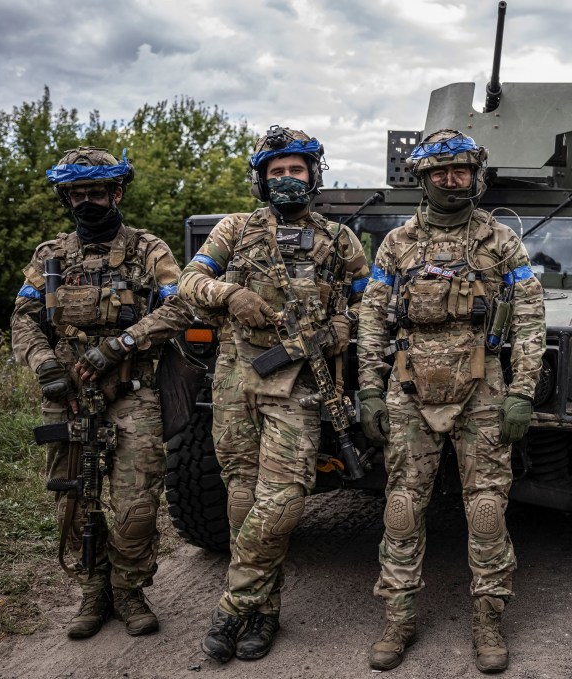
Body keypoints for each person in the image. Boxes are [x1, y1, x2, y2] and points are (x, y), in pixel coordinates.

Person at [356, 129, 546, 673]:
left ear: (475, 176)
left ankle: (488, 621)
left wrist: (522, 393)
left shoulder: (501, 241)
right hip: (409, 386)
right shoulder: (397, 243)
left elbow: (531, 316)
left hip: (483, 388)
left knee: (486, 508)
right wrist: (370, 388)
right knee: (401, 508)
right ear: (422, 178)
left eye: (459, 170)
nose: (449, 179)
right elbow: (371, 316)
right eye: (438, 171)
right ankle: (398, 618)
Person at [178, 126, 370, 663]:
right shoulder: (235, 230)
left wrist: (338, 329)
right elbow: (189, 281)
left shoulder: (339, 239)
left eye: (297, 170)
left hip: (302, 383)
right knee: (242, 495)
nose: (287, 179)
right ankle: (264, 611)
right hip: (237, 377)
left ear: (314, 176)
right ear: (262, 179)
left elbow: (371, 301)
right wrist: (231, 293)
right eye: (277, 171)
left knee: (282, 499)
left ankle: (232, 605)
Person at [11, 147, 194, 639]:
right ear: (66, 198)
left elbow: (180, 308)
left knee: (137, 504)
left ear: (116, 193)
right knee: (75, 499)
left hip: (131, 392)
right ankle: (94, 591)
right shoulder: (49, 256)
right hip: (67, 396)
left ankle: (130, 590)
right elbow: (23, 319)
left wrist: (119, 346)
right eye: (78, 193)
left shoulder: (148, 250)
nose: (88, 201)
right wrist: (47, 366)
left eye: (98, 191)